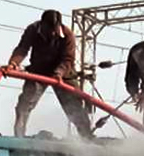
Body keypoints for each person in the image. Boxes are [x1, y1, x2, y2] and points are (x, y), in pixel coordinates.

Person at [5, 10, 93, 139]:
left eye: (54, 30)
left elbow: (68, 59)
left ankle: (87, 138)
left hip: (63, 74)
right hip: (38, 71)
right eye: (49, 30)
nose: (52, 33)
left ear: (59, 26)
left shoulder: (67, 35)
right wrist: (13, 63)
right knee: (24, 103)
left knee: (74, 106)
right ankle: (19, 136)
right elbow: (23, 48)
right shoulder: (32, 30)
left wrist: (58, 73)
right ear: (42, 25)